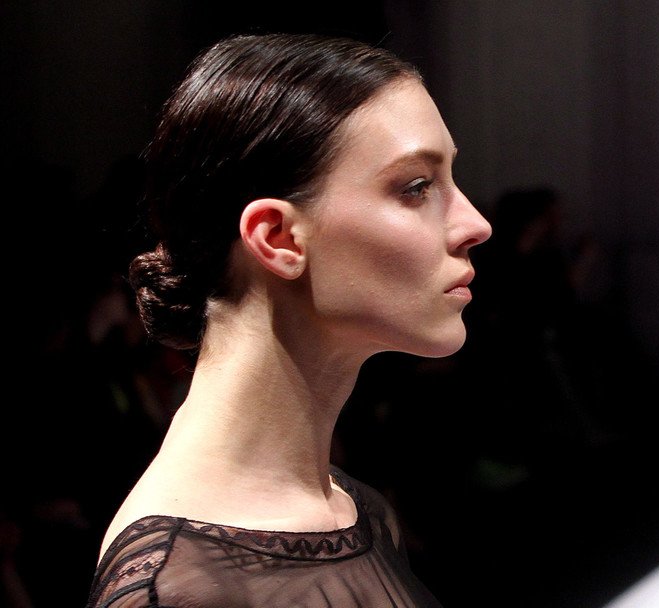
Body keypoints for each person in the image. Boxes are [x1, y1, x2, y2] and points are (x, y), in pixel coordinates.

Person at [85, 32, 491, 607]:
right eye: (416, 187)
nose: (475, 224)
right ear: (277, 237)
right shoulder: (180, 588)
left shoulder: (355, 512)